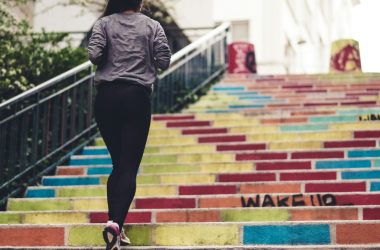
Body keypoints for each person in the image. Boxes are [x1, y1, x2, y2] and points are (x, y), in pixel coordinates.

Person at [88, 0, 171, 249]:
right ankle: (115, 223)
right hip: (136, 98)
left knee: (119, 164)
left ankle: (116, 224)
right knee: (128, 167)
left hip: (106, 99)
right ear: (140, 2)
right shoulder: (152, 25)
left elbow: (94, 55)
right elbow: (164, 60)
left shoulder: (103, 24)